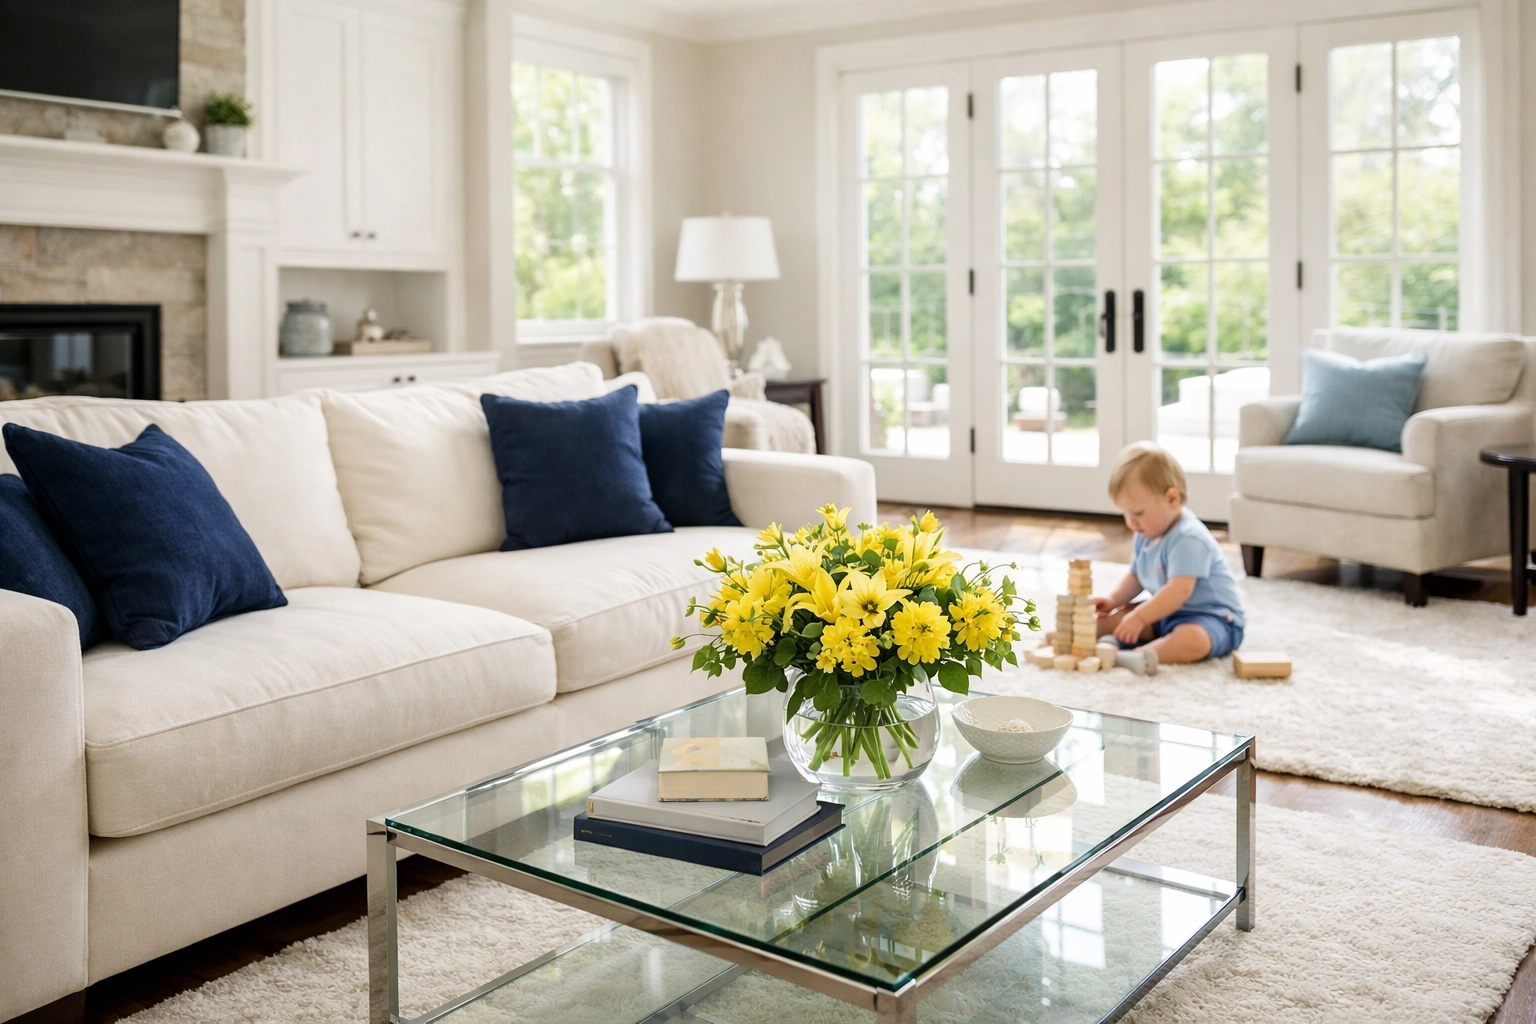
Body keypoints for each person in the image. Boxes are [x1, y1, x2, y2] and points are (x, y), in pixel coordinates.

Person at [1092, 441, 1246, 675]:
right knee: (1118, 617)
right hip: (1166, 613)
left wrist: (1140, 617)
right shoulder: (1146, 532)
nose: (1131, 523)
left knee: (1191, 640)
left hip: (1213, 619)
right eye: (1125, 514)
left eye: (1138, 513)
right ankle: (1082, 639)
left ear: (1172, 499)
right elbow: (1136, 576)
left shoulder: (1189, 538)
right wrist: (1113, 600)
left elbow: (1178, 592)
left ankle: (1137, 656)